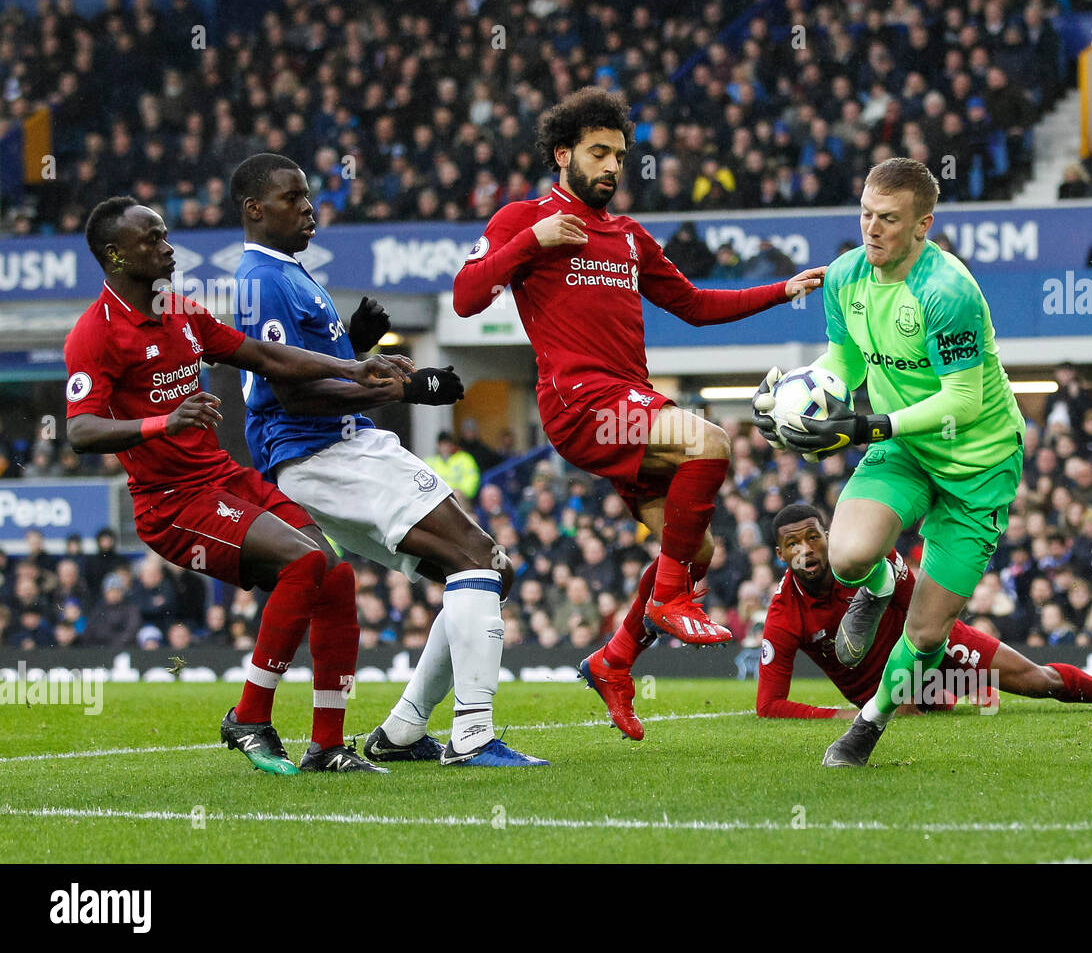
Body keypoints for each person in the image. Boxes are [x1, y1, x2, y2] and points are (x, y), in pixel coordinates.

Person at [453, 87, 826, 740]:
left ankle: (615, 659)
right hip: (579, 402)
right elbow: (464, 297)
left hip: (629, 404)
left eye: (620, 156)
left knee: (700, 547)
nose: (613, 167)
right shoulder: (525, 217)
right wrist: (531, 242)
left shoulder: (628, 236)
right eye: (599, 153)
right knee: (709, 443)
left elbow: (696, 305)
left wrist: (783, 291)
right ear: (563, 154)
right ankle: (669, 599)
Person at [65, 196, 409, 774]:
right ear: (114, 255)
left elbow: (259, 353)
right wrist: (161, 422)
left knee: (336, 575)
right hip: (171, 505)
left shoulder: (179, 308)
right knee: (303, 564)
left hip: (222, 478)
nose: (168, 248)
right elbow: (80, 429)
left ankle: (327, 746)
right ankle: (250, 715)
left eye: (166, 234)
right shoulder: (94, 335)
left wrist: (352, 365)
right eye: (152, 240)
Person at [229, 153, 545, 767]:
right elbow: (287, 388)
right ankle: (473, 736)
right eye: (292, 198)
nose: (308, 207)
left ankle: (402, 733)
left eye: (308, 196)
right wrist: (404, 389)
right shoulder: (261, 278)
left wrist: (354, 344)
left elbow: (313, 366)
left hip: (335, 449)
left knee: (485, 573)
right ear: (254, 209)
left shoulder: (286, 272)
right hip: (326, 450)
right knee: (478, 558)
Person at [753, 157, 1027, 767]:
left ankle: (868, 725)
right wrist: (801, 396)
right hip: (905, 450)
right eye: (866, 215)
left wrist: (870, 423)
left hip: (978, 466)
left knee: (927, 635)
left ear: (922, 224)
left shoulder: (946, 291)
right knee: (848, 555)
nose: (872, 230)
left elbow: (962, 399)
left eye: (889, 220)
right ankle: (877, 585)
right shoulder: (845, 276)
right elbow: (844, 360)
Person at [758, 505, 1092, 718]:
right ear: (780, 554)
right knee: (923, 713)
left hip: (926, 641)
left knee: (1036, 680)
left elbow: (916, 604)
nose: (806, 550)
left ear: (829, 536)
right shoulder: (783, 615)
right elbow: (769, 705)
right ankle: (950, 695)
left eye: (813, 537)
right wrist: (847, 714)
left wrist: (927, 656)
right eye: (793, 544)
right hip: (878, 693)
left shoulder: (870, 557)